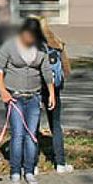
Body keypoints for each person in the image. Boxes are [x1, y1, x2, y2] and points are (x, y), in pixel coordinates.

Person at [0, 18, 56, 184]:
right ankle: (15, 172)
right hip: (14, 97)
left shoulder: (41, 48)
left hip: (34, 97)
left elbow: (46, 71)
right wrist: (3, 91)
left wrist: (51, 93)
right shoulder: (10, 46)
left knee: (31, 135)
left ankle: (29, 170)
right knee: (18, 135)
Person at [36, 17, 72, 173]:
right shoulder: (58, 44)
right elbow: (67, 70)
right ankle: (60, 164)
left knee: (33, 127)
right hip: (55, 90)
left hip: (36, 89)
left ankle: (33, 166)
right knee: (56, 125)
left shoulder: (32, 46)